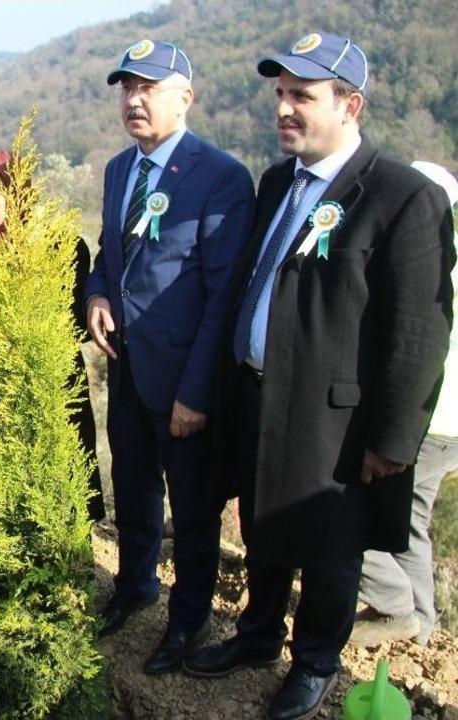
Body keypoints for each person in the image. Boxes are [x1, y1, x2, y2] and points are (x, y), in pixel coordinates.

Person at [185, 33, 454, 720]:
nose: (283, 108)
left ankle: (313, 663)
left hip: (335, 419)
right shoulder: (278, 182)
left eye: (301, 96)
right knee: (262, 522)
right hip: (257, 394)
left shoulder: (401, 197)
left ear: (350, 104)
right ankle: (256, 635)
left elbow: (420, 331)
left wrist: (393, 440)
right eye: (280, 94)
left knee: (330, 549)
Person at [83, 40, 254, 674]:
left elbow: (222, 297)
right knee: (132, 491)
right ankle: (134, 589)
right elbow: (109, 255)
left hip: (185, 379)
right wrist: (97, 295)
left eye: (148, 88)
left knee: (194, 508)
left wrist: (197, 392)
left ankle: (187, 621)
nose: (134, 99)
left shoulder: (221, 177)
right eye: (127, 88)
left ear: (186, 97)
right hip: (126, 367)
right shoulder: (118, 170)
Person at [0, 150, 105, 526]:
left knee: (59, 506)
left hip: (51, 393)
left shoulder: (61, 247)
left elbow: (74, 327)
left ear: (19, 194)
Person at [350, 161, 458, 648]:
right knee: (414, 518)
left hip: (427, 419)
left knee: (357, 506)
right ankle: (421, 625)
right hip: (448, 426)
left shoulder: (427, 262)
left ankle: (396, 604)